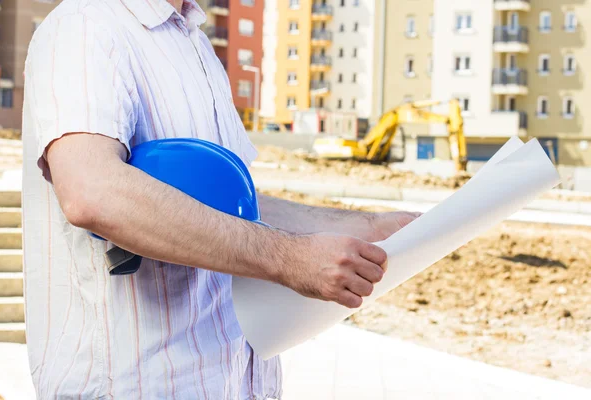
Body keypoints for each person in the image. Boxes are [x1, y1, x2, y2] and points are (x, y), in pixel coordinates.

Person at [21, 0, 419, 398]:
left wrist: (373, 227)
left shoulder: (195, 45)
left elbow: (229, 204)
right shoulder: (86, 27)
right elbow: (93, 192)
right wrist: (288, 259)